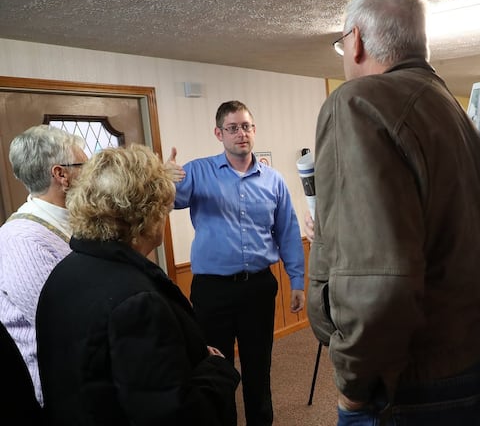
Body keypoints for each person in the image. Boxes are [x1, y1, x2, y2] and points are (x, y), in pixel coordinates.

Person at [306, 0, 480, 424]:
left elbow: (377, 284)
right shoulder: (453, 111)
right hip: (479, 358)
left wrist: (354, 390)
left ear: (355, 40)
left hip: (416, 383)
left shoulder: (357, 101)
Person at [36, 144, 240, 425]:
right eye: (165, 208)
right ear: (147, 215)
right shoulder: (138, 302)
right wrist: (217, 369)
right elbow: (173, 415)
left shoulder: (65, 272)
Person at [170, 100, 306, 426]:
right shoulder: (198, 172)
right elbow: (168, 201)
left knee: (259, 365)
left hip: (258, 287)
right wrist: (163, 179)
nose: (241, 133)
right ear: (219, 134)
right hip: (212, 290)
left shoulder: (273, 181)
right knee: (216, 367)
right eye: (232, 128)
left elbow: (288, 232)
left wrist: (297, 280)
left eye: (246, 126)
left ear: (253, 130)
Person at [0, 125, 87, 414]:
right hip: (60, 391)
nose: (90, 173)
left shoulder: (74, 219)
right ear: (61, 174)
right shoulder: (21, 240)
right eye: (83, 165)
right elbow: (64, 324)